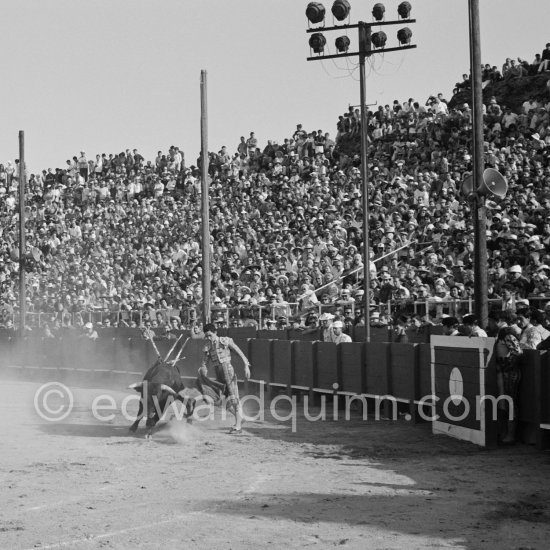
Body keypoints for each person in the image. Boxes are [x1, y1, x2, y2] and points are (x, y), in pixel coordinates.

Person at [197, 323, 251, 434]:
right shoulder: (208, 345)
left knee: (233, 397)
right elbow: (204, 362)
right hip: (218, 372)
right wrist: (202, 369)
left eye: (210, 335)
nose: (208, 338)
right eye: (207, 336)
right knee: (221, 399)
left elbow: (239, 352)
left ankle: (238, 426)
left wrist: (246, 365)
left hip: (227, 370)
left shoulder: (225, 340)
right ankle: (240, 417)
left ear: (215, 332)